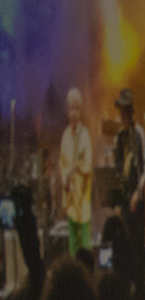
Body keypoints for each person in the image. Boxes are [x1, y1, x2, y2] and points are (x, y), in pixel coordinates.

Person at [111, 87, 145, 277]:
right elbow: (117, 168)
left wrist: (138, 193)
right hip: (124, 199)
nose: (122, 116)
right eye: (121, 112)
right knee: (125, 242)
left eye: (125, 112)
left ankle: (139, 282)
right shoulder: (119, 137)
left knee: (137, 244)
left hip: (136, 198)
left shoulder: (138, 133)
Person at [59, 87, 92, 258]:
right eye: (71, 109)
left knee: (84, 242)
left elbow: (88, 166)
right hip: (71, 197)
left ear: (80, 111)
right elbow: (62, 163)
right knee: (72, 242)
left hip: (82, 198)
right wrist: (65, 177)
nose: (73, 113)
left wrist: (78, 168)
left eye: (76, 109)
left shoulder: (85, 136)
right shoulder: (65, 135)